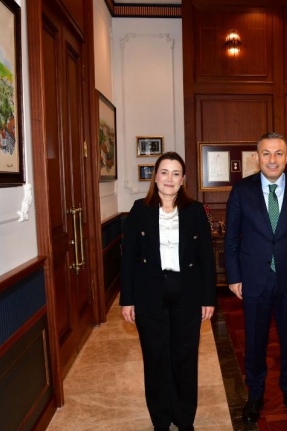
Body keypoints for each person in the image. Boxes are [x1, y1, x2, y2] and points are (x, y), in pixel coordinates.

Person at [224, 132, 287, 424]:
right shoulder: (241, 190)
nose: (272, 159)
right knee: (255, 343)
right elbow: (231, 239)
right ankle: (255, 395)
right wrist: (234, 276)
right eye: (266, 153)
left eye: (279, 153)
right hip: (254, 280)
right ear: (257, 157)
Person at [120, 152, 216, 431]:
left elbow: (206, 258)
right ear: (155, 177)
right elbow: (128, 259)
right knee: (155, 358)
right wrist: (127, 299)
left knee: (185, 358)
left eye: (176, 173)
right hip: (149, 293)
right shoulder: (140, 210)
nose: (169, 179)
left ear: (183, 179)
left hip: (187, 292)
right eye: (164, 172)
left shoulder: (195, 211)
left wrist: (208, 298)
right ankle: (160, 421)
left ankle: (184, 420)